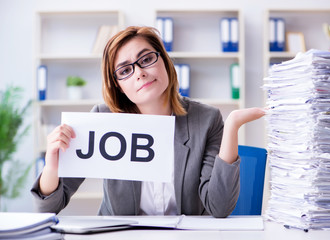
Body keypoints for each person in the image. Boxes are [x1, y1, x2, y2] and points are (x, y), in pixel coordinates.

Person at [31, 26, 265, 217]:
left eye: (146, 59)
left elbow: (219, 207)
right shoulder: (103, 120)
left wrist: (232, 124)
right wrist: (52, 165)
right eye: (125, 71)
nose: (139, 73)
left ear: (164, 60)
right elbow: (48, 207)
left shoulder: (206, 120)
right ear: (118, 86)